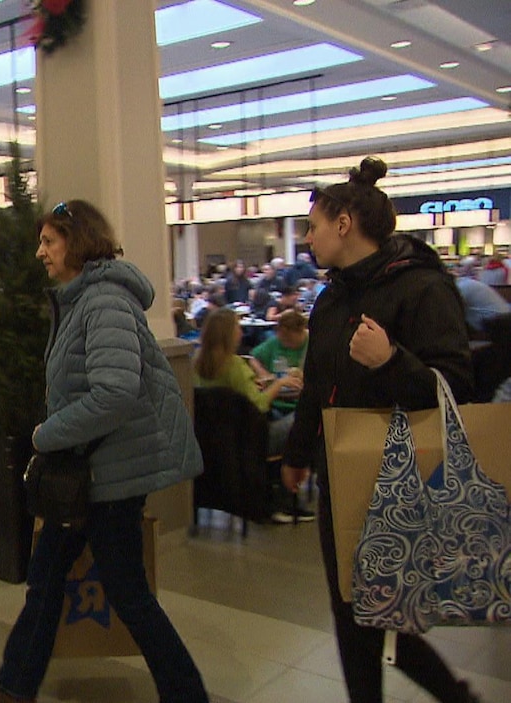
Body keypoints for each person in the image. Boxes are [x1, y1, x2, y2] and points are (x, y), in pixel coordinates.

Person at [0, 199, 207, 703]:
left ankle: (186, 694)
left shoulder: (104, 302)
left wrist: (47, 434)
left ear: (78, 241)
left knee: (126, 593)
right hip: (91, 473)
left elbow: (114, 392)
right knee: (49, 580)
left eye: (49, 241)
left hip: (108, 479)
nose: (40, 252)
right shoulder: (80, 300)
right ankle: (14, 684)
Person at [281, 157, 480, 703]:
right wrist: (297, 454)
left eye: (314, 225)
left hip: (405, 477)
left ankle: (457, 695)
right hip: (340, 477)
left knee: (390, 609)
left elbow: (455, 387)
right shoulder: (332, 298)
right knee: (351, 607)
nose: (308, 238)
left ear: (344, 223)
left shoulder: (422, 289)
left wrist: (390, 359)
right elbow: (316, 386)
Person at [194, 308, 308, 523]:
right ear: (229, 333)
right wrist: (279, 384)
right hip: (250, 442)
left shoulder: (196, 365)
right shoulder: (234, 366)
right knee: (302, 421)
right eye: (237, 327)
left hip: (215, 444)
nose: (241, 331)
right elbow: (259, 406)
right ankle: (286, 497)